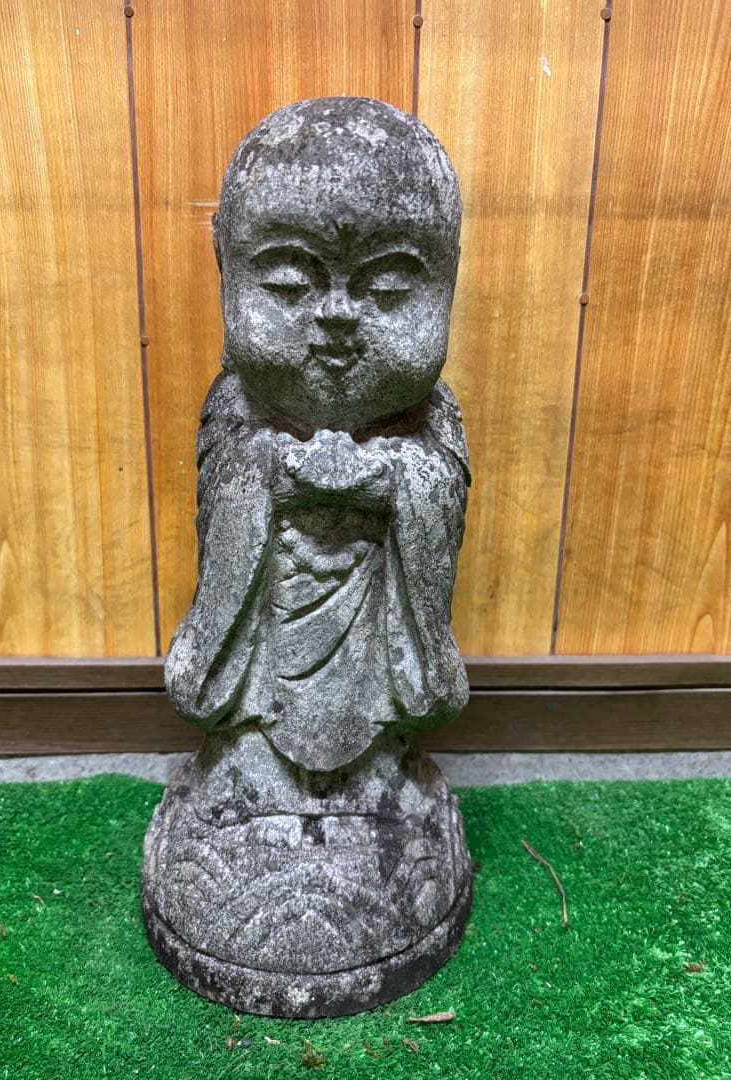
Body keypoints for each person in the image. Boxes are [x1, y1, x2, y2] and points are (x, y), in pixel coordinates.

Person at [165, 96, 471, 772]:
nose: (338, 315)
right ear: (225, 268)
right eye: (287, 282)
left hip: (380, 694)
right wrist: (270, 474)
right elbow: (229, 496)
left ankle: (383, 772)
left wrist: (392, 480)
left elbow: (437, 498)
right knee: (240, 741)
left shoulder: (432, 419)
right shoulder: (237, 408)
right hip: (257, 684)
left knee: (392, 746)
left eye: (387, 289)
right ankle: (247, 766)